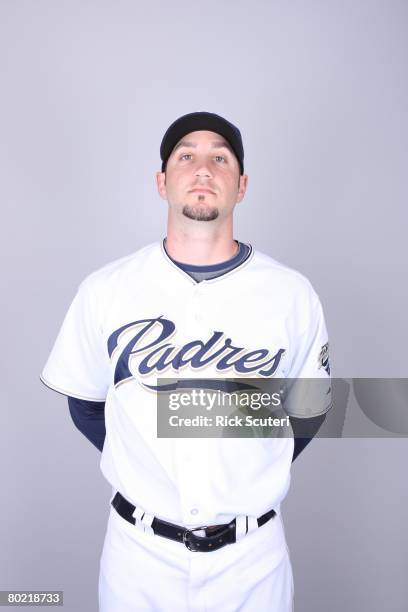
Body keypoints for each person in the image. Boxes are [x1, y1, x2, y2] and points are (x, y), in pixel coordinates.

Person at [40, 111, 332, 611]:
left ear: (241, 186)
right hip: (139, 557)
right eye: (186, 156)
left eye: (220, 158)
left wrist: (248, 466)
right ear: (162, 182)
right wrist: (145, 461)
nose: (202, 169)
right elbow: (86, 405)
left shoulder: (291, 293)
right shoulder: (106, 289)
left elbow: (308, 412)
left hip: (252, 561)